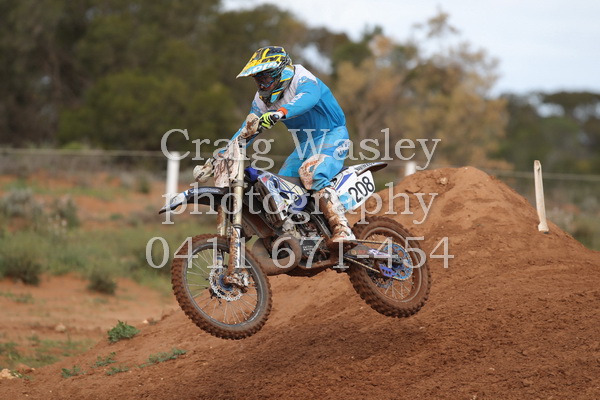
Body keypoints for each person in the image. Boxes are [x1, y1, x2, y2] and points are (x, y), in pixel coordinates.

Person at [202, 46, 355, 245]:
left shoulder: (302, 78)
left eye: (265, 78)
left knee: (313, 174)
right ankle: (295, 234)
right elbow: (247, 130)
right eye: (258, 79)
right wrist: (221, 156)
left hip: (333, 135)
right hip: (304, 145)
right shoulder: (261, 100)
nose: (261, 84)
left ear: (282, 72)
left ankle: (342, 227)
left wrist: (280, 112)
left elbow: (309, 98)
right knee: (279, 187)